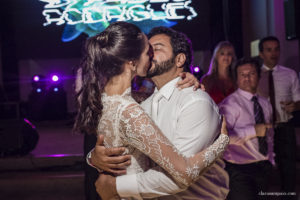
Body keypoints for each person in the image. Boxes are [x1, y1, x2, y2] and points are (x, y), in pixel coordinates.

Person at [74, 22, 229, 200]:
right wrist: (94, 157)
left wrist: (116, 186)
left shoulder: (194, 101)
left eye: (156, 48)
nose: (151, 54)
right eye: (148, 49)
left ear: (179, 60)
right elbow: (183, 172)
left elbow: (175, 179)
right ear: (132, 60)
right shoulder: (136, 105)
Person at [219, 58, 274, 200]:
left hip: (264, 167)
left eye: (251, 73)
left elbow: (268, 135)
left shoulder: (264, 103)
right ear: (236, 79)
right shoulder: (229, 104)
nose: (247, 78)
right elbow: (221, 138)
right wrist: (253, 131)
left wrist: (271, 158)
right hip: (239, 171)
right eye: (242, 75)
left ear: (259, 76)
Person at [257, 36, 300, 198]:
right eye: (269, 50)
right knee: (263, 170)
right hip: (263, 129)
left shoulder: (290, 74)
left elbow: (298, 100)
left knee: (288, 170)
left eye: (276, 49)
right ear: (261, 54)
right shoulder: (254, 75)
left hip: (284, 127)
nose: (274, 53)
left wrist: (294, 106)